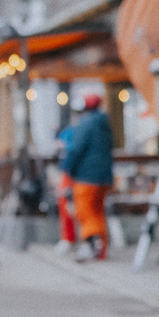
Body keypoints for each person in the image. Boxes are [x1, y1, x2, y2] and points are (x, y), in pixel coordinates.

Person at [62, 93, 113, 262]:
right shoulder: (104, 123)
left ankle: (93, 242)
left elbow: (75, 149)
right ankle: (101, 249)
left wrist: (68, 168)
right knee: (98, 211)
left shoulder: (85, 123)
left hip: (86, 176)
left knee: (85, 211)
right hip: (104, 177)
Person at [54, 122, 78, 255]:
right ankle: (69, 238)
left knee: (74, 208)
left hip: (75, 175)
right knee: (66, 206)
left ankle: (75, 239)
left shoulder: (74, 132)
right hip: (71, 174)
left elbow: (71, 152)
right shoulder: (70, 130)